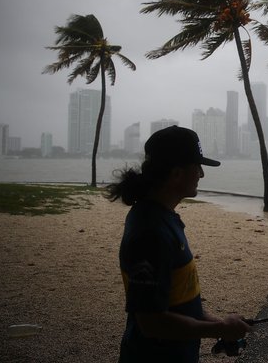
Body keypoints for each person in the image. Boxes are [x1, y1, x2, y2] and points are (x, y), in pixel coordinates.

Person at [106, 125, 250, 362]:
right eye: (198, 167)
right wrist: (219, 330)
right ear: (176, 174)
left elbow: (179, 300)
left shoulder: (162, 217)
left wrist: (220, 323)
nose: (202, 174)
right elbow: (151, 322)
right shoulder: (150, 233)